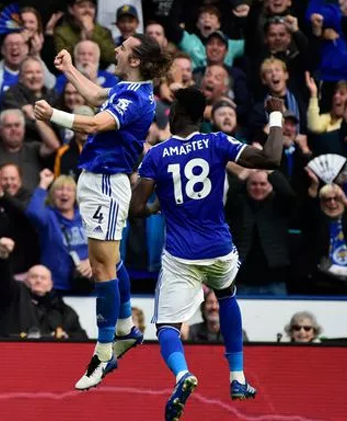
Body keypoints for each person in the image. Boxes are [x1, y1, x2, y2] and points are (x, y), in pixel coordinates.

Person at [129, 89, 285, 420]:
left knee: (167, 325)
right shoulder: (217, 143)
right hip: (220, 250)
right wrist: (275, 115)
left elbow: (136, 207)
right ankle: (238, 378)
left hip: (182, 256)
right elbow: (271, 159)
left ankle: (183, 375)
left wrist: (158, 206)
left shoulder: (156, 156)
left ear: (176, 115)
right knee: (227, 296)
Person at [33, 34, 171, 391]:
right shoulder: (126, 88)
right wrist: (69, 71)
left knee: (102, 267)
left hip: (108, 183)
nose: (117, 50)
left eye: (124, 47)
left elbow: (95, 123)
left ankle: (104, 351)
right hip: (97, 180)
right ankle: (125, 327)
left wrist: (54, 115)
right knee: (109, 261)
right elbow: (97, 97)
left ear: (137, 59)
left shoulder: (139, 98)